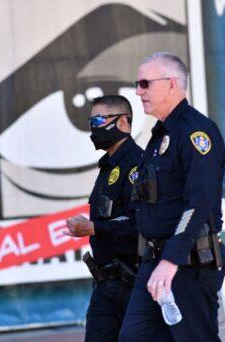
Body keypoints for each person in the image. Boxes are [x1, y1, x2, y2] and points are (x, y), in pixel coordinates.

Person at [119, 52, 225, 341]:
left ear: (171, 84)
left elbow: (200, 202)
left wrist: (171, 260)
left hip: (187, 263)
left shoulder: (196, 133)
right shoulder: (160, 135)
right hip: (155, 263)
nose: (137, 91)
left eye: (145, 83)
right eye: (137, 83)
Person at [65, 95, 143, 342]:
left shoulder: (136, 166)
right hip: (104, 285)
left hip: (132, 283)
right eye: (91, 121)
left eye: (99, 120)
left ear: (122, 122)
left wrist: (92, 228)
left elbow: (139, 224)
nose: (93, 127)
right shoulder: (108, 166)